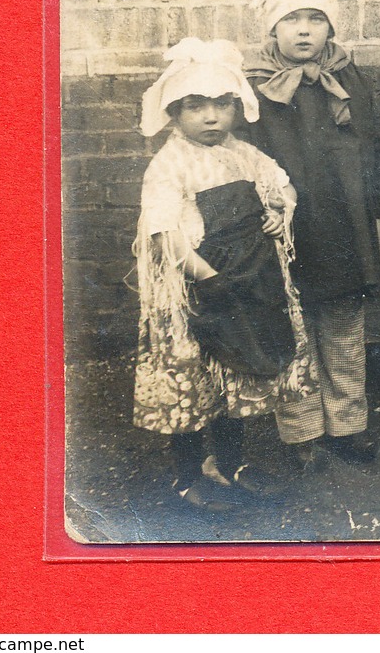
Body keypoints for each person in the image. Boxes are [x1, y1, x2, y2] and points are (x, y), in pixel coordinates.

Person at [131, 38, 322, 511]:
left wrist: (282, 212)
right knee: (192, 377)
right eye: (196, 107)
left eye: (222, 105)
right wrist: (206, 276)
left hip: (243, 283)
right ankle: (186, 473)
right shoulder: (168, 164)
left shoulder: (244, 155)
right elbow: (164, 232)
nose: (212, 117)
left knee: (232, 373)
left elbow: (282, 185)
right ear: (175, 112)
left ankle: (230, 462)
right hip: (194, 289)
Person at [241, 0, 380, 469]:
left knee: (344, 323)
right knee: (293, 324)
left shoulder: (346, 76)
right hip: (287, 227)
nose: (304, 30)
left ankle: (349, 424)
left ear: (330, 25)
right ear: (273, 27)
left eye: (316, 19)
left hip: (345, 222)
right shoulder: (254, 87)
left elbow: (373, 148)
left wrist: (378, 211)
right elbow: (243, 161)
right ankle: (301, 430)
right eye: (291, 20)